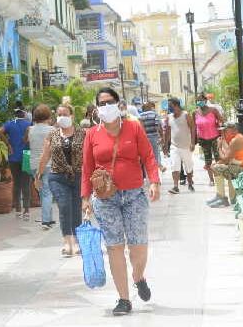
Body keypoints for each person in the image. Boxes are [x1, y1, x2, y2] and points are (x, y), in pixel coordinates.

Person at [81, 87, 161, 316]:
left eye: (109, 102)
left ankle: (138, 276)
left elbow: (148, 155)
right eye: (101, 103)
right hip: (105, 199)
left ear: (118, 104)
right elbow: (86, 168)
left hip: (134, 194)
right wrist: (85, 198)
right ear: (97, 108)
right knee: (115, 247)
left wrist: (154, 181)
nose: (106, 106)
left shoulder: (134, 127)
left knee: (138, 247)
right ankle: (124, 299)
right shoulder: (92, 135)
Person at [37, 105, 86, 256]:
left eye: (65, 114)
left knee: (76, 209)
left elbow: (89, 155)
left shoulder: (82, 133)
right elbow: (45, 155)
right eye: (59, 114)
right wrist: (38, 174)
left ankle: (77, 242)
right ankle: (67, 242)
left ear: (72, 116)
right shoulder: (52, 134)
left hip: (78, 175)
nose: (61, 117)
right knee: (64, 207)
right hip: (58, 177)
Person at [208, 124, 243, 208]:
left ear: (233, 131)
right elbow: (228, 158)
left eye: (225, 131)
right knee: (225, 167)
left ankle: (221, 198)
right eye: (222, 131)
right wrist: (218, 161)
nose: (222, 133)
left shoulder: (236, 140)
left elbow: (225, 159)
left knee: (217, 168)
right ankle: (231, 198)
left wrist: (219, 147)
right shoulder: (237, 138)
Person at [0, 108, 32, 219]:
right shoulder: (29, 124)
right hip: (26, 155)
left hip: (13, 157)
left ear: (15, 115)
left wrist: (8, 144)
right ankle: (26, 211)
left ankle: (18, 210)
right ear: (24, 114)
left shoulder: (9, 124)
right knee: (26, 183)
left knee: (16, 183)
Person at [27, 104, 55, 230]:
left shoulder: (30, 129)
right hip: (49, 164)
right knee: (47, 192)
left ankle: (49, 218)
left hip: (34, 164)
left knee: (43, 191)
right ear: (48, 116)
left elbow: (27, 142)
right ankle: (46, 220)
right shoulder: (52, 130)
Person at [164, 98, 196, 194]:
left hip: (186, 146)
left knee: (188, 166)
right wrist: (166, 145)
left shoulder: (186, 115)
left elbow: (193, 128)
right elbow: (168, 132)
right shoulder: (169, 117)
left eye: (170, 105)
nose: (169, 107)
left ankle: (190, 183)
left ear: (176, 105)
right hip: (174, 146)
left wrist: (193, 142)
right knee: (174, 166)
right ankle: (175, 187)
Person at [194, 96, 224, 186]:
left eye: (201, 100)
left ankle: (219, 178)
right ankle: (211, 180)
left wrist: (222, 134)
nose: (199, 102)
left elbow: (221, 120)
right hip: (203, 139)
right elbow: (194, 127)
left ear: (205, 101)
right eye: (198, 100)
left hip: (215, 138)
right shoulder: (195, 112)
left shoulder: (213, 110)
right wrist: (194, 139)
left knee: (218, 158)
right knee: (207, 161)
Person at [138, 102, 165, 174]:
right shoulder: (154, 114)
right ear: (150, 107)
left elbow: (139, 127)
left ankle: (148, 172)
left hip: (144, 138)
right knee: (156, 152)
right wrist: (161, 137)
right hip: (154, 136)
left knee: (146, 155)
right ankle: (159, 165)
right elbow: (157, 126)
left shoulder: (140, 116)